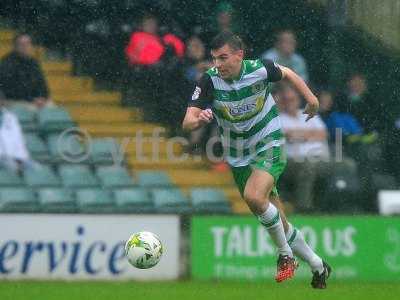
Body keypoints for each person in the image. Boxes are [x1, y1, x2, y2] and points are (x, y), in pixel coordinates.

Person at [182, 31, 331, 288]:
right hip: (238, 155)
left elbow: (289, 73)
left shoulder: (260, 69)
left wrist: (311, 99)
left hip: (268, 142)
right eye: (215, 58)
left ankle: (285, 256)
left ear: (239, 55)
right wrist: (199, 118)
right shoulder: (208, 81)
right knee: (276, 218)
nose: (218, 64)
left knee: (254, 197)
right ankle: (318, 265)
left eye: (223, 58)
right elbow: (187, 121)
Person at [278, 83, 331, 212]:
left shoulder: (309, 114)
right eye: (286, 99)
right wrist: (310, 134)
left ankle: (339, 207)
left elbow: (324, 134)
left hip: (321, 159)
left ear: (298, 99)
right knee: (309, 166)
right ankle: (304, 208)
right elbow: (288, 135)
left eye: (292, 99)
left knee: (347, 165)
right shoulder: (278, 118)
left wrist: (299, 135)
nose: (289, 102)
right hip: (292, 161)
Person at [0, 33, 50, 109]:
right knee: (35, 111)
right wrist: (32, 99)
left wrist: (42, 97)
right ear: (15, 46)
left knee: (55, 111)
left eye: (28, 44)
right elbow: (10, 89)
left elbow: (42, 84)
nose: (25, 47)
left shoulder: (33, 63)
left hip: (34, 101)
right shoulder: (7, 63)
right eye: (21, 44)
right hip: (13, 101)